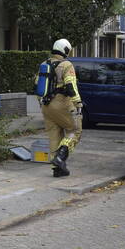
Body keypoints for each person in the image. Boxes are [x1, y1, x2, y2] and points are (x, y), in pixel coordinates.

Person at [39, 39, 83, 177]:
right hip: (62, 103)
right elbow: (71, 85)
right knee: (75, 130)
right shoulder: (66, 65)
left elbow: (37, 86)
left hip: (46, 105)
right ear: (65, 50)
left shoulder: (44, 64)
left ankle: (57, 169)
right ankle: (61, 157)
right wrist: (78, 103)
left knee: (54, 136)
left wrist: (42, 103)